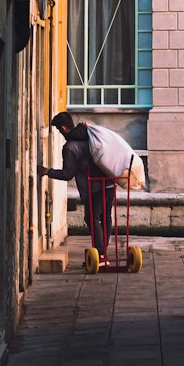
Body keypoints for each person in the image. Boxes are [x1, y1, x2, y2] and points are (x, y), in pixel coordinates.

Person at [39, 110, 116, 259]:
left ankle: (99, 253)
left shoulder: (70, 147)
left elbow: (68, 174)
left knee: (91, 218)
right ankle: (102, 254)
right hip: (109, 181)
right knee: (106, 216)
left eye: (58, 130)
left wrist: (47, 171)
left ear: (62, 128)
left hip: (94, 187)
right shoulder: (89, 134)